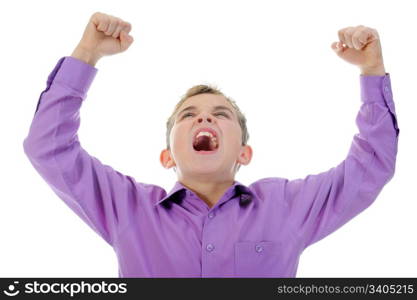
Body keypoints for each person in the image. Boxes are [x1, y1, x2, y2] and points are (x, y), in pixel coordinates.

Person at [23, 12, 400, 277]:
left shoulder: (287, 207)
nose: (204, 118)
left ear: (244, 153)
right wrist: (87, 54)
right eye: (188, 115)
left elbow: (371, 166)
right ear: (167, 156)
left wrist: (371, 70)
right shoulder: (127, 208)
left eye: (221, 114)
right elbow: (48, 147)